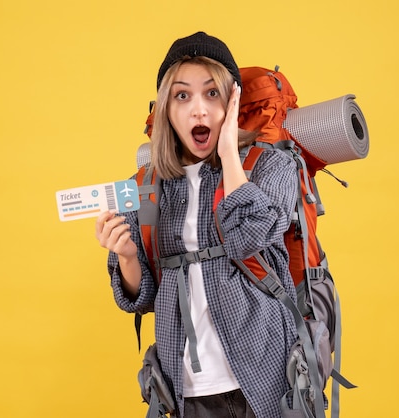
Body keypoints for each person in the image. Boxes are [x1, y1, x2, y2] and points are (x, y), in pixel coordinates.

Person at [95, 32, 299, 417]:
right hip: (186, 384)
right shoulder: (145, 185)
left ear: (232, 102)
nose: (199, 111)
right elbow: (139, 297)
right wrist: (125, 256)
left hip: (265, 371)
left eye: (212, 94)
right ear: (166, 110)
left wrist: (229, 154)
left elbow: (249, 236)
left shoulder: (272, 167)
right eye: (182, 96)